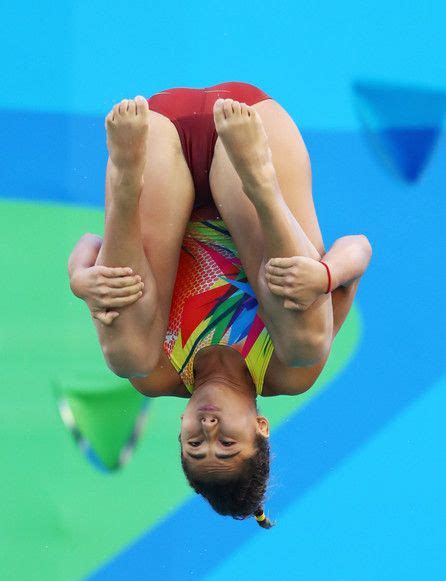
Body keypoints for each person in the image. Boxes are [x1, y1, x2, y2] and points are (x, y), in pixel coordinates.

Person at [68, 82, 372, 528]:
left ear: (180, 432)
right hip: (251, 145)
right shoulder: (289, 371)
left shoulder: (156, 373)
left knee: (128, 356)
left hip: (158, 147)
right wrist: (325, 277)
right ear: (260, 428)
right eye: (227, 445)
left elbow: (90, 244)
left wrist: (81, 281)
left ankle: (125, 178)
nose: (208, 431)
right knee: (306, 342)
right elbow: (358, 247)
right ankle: (262, 185)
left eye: (195, 445)